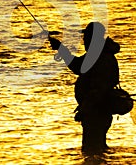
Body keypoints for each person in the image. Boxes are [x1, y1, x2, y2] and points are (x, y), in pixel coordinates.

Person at [49, 22, 120, 154]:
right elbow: (77, 65)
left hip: (96, 112)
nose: (84, 41)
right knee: (99, 150)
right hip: (100, 112)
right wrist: (60, 48)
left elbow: (97, 91)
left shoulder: (99, 57)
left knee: (91, 150)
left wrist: (85, 110)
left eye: (86, 37)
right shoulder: (101, 54)